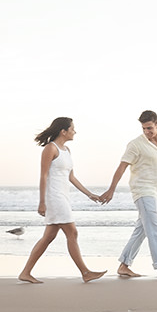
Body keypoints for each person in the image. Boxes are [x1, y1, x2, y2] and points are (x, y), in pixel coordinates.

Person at [19, 118, 107, 284]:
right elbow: (43, 176)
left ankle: (25, 272)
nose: (75, 131)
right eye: (72, 129)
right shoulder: (50, 149)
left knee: (48, 237)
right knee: (72, 232)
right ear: (63, 131)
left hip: (63, 196)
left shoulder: (66, 150)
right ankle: (85, 272)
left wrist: (90, 194)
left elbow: (71, 177)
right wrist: (42, 202)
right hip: (54, 197)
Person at [100, 109, 157, 279]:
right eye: (144, 128)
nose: (147, 132)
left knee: (142, 230)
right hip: (143, 191)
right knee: (156, 229)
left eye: (150, 128)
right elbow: (121, 167)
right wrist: (111, 189)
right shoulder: (135, 144)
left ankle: (124, 264)